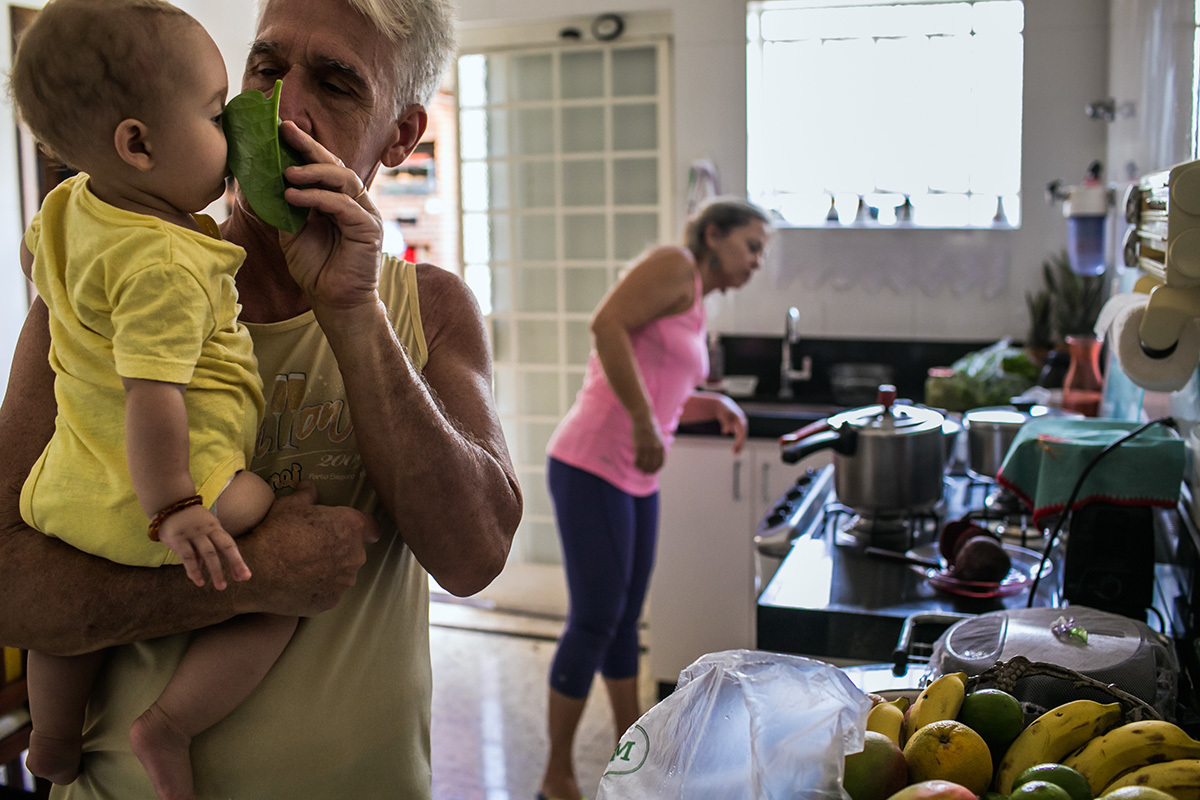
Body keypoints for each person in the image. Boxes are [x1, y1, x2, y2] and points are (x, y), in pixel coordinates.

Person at [0, 0, 523, 797]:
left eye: (338, 84)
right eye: (266, 69)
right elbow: (6, 581)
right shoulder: (111, 291)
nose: (279, 111)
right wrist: (254, 578)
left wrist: (351, 310)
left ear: (400, 136)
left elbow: (474, 556)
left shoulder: (432, 309)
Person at [9, 2, 295, 798]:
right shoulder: (169, 263)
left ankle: (54, 744)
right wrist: (177, 506)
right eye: (214, 113)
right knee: (280, 582)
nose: (236, 133)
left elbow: (41, 266)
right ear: (137, 143)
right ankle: (170, 724)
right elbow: (153, 396)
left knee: (63, 637)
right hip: (161, 490)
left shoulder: (67, 208)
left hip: (68, 489)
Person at [538, 197, 771, 800]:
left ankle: (628, 755)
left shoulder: (697, 306)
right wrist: (644, 424)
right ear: (714, 235)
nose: (756, 262)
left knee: (621, 623)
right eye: (751, 246)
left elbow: (659, 383)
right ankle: (556, 776)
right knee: (594, 619)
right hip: (592, 463)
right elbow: (605, 324)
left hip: (635, 475)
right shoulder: (675, 266)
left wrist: (709, 405)